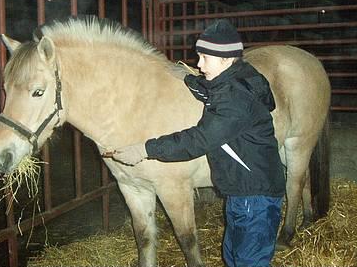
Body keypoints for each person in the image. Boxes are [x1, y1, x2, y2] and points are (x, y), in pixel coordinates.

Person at [112, 19, 285, 267]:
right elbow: (210, 90)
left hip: (255, 197)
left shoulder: (235, 101)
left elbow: (196, 140)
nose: (199, 64)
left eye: (205, 58)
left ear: (225, 60)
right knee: (233, 256)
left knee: (249, 260)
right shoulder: (239, 79)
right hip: (241, 192)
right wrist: (186, 78)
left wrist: (144, 149)